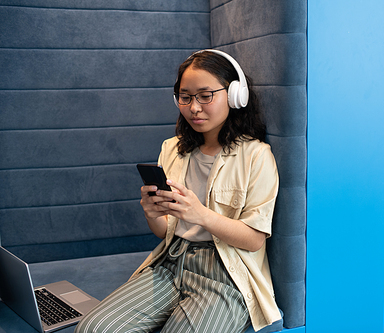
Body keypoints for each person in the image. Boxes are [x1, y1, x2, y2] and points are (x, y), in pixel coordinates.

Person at [75, 50, 281, 333]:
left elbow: (254, 239)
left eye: (205, 95)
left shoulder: (256, 156)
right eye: (185, 97)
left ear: (235, 95)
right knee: (92, 329)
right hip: (170, 261)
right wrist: (152, 214)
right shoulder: (171, 149)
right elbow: (164, 231)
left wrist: (201, 215)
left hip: (224, 273)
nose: (194, 107)